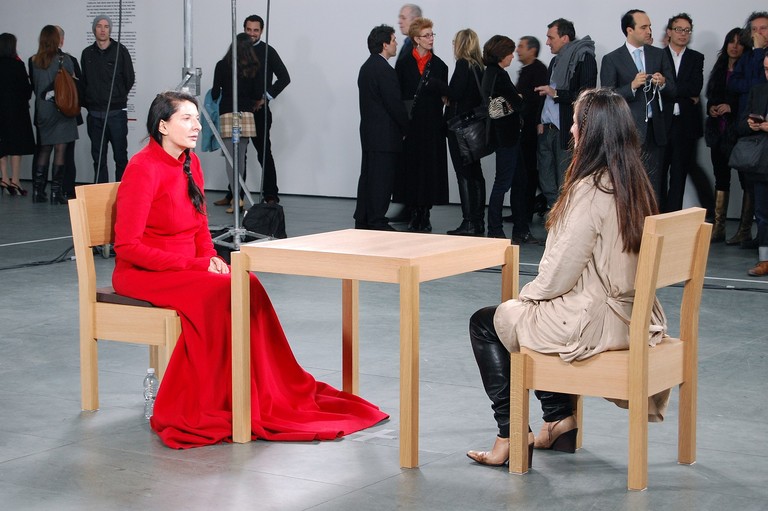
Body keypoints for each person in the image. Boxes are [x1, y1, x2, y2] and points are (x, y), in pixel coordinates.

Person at [112, 91, 388, 448]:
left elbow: (199, 226)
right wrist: (196, 264)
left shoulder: (189, 162)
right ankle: (215, 400)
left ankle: (259, 391)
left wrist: (211, 257)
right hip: (144, 271)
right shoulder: (142, 168)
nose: (197, 126)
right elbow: (128, 247)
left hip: (185, 265)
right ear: (162, 125)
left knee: (248, 283)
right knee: (218, 292)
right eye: (187, 119)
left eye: (197, 118)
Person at [466, 88, 666, 467]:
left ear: (590, 131)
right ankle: (559, 421)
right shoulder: (634, 183)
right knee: (532, 315)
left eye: (575, 122)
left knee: (487, 321)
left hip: (596, 323)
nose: (570, 130)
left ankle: (511, 434)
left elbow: (558, 274)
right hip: (634, 318)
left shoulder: (590, 189)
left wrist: (527, 295)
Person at [601, 9, 676, 204]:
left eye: (650, 26)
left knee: (653, 185)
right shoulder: (612, 59)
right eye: (644, 27)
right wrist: (631, 87)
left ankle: (651, 230)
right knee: (626, 184)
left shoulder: (658, 55)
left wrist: (663, 83)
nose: (649, 31)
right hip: (626, 132)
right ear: (629, 30)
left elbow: (674, 91)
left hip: (654, 131)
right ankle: (627, 230)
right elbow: (607, 98)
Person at [535, 19, 597, 215]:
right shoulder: (555, 61)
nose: (547, 42)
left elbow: (586, 94)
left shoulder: (584, 58)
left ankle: (563, 226)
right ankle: (554, 223)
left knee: (565, 182)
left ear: (564, 38)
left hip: (567, 131)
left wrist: (557, 94)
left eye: (550, 38)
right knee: (546, 181)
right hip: (547, 130)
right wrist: (540, 120)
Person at [394, 17, 449, 233]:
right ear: (416, 39)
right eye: (426, 35)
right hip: (411, 125)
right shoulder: (404, 64)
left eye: (432, 34)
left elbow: (445, 96)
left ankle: (424, 212)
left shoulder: (440, 65)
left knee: (429, 169)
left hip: (432, 124)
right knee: (411, 168)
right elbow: (399, 95)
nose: (431, 38)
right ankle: (414, 211)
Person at [354, 25, 409, 231]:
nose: (396, 43)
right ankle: (377, 220)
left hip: (370, 133)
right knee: (382, 180)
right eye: (393, 40)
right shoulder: (384, 70)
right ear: (385, 44)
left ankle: (364, 217)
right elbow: (394, 104)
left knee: (369, 176)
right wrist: (406, 127)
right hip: (385, 135)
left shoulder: (367, 66)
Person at [726, 12, 768, 247]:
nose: (758, 34)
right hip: (750, 129)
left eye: (763, 28)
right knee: (751, 184)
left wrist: (761, 53)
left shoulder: (759, 57)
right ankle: (756, 236)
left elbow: (758, 83)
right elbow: (735, 83)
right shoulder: (749, 57)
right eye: (754, 30)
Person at [661, 13, 710, 214]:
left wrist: (669, 86)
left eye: (687, 30)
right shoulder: (657, 55)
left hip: (685, 124)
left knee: (679, 175)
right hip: (662, 123)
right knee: (659, 174)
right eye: (679, 29)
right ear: (669, 32)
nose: (683, 34)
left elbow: (694, 88)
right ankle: (658, 216)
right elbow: (656, 88)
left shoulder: (696, 57)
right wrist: (681, 92)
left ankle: (672, 218)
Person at [240, 14, 290, 205]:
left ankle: (271, 195)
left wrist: (265, 98)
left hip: (260, 111)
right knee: (238, 154)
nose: (252, 34)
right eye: (249, 30)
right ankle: (235, 195)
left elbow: (285, 77)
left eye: (256, 30)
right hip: (240, 110)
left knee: (263, 153)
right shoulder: (238, 50)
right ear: (244, 29)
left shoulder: (268, 51)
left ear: (262, 31)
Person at [480, 35, 527, 241]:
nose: (512, 56)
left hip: (501, 135)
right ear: (501, 54)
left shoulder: (489, 73)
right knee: (503, 182)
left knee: (514, 180)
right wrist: (518, 98)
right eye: (510, 52)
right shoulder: (499, 75)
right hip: (507, 136)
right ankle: (495, 229)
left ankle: (506, 227)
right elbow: (518, 104)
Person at [80, 15, 135, 183]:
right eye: (99, 26)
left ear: (110, 29)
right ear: (94, 29)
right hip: (95, 114)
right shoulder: (87, 53)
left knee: (120, 156)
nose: (103, 29)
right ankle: (100, 192)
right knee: (98, 158)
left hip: (116, 113)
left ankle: (122, 192)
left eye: (106, 26)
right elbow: (85, 81)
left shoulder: (120, 51)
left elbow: (129, 78)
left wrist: (118, 97)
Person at [28, 25, 78, 204]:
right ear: (57, 40)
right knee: (60, 150)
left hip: (43, 111)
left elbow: (35, 86)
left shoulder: (34, 61)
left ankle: (37, 191)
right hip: (61, 110)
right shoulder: (63, 59)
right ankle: (56, 193)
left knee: (44, 149)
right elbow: (71, 82)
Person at [443, 28, 486, 236]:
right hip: (474, 129)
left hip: (459, 129)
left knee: (464, 175)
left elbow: (455, 93)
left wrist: (440, 89)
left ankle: (469, 222)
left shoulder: (462, 64)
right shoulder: (480, 66)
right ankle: (478, 222)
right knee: (475, 173)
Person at [211, 33, 259, 214]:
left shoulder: (222, 65)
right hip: (245, 114)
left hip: (227, 114)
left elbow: (215, 93)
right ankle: (239, 196)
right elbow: (256, 94)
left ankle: (236, 198)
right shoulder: (253, 66)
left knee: (231, 160)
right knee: (241, 157)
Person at [705, 27, 746, 242]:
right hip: (718, 133)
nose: (734, 46)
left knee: (746, 181)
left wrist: (731, 108)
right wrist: (711, 108)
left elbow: (749, 101)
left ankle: (744, 229)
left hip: (739, 134)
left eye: (739, 42)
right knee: (721, 179)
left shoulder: (747, 69)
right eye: (731, 41)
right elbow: (710, 96)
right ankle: (719, 227)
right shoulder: (719, 68)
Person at [506, 35, 547, 226]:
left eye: (521, 47)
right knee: (525, 172)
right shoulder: (527, 70)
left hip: (530, 130)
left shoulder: (538, 70)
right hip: (523, 128)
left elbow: (537, 100)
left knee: (528, 172)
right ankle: (523, 211)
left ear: (532, 50)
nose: (517, 50)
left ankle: (526, 211)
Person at [737, 55, 768, 276]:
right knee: (762, 213)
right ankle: (764, 259)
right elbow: (740, 124)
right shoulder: (758, 90)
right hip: (762, 161)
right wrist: (751, 124)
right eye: (766, 69)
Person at [0, 32, 35, 196]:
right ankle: (15, 180)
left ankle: (4, 179)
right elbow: (27, 91)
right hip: (16, 112)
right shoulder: (17, 65)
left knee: (2, 146)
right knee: (16, 146)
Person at [55, 25, 83, 200]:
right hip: (60, 115)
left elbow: (80, 85)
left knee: (64, 154)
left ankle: (63, 189)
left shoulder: (70, 60)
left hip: (65, 114)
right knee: (59, 153)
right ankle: (61, 190)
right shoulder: (39, 60)